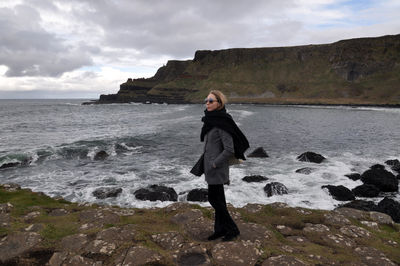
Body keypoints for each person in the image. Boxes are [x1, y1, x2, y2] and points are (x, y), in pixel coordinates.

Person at [197, 90, 249, 241]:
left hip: (216, 168)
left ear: (219, 104)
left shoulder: (222, 123)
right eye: (206, 100)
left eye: (211, 101)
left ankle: (232, 229)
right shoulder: (210, 120)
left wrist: (214, 163)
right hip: (210, 167)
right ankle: (219, 229)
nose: (207, 103)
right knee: (219, 200)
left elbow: (229, 149)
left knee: (215, 200)